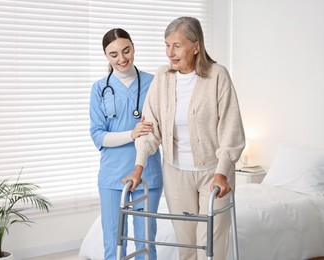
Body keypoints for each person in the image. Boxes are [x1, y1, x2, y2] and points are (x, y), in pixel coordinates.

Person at [122, 17, 245, 260]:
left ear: (196, 46)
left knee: (210, 244)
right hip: (176, 173)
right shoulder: (163, 77)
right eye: (166, 45)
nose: (170, 53)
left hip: (214, 173)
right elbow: (150, 126)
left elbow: (231, 129)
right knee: (187, 247)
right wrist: (138, 168)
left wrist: (222, 171)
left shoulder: (218, 76)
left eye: (177, 46)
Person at [89, 28, 163, 260]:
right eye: (113, 54)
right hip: (112, 175)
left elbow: (163, 125)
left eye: (126, 50)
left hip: (147, 173)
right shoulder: (100, 89)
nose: (121, 59)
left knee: (146, 243)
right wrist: (132, 133)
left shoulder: (155, 83)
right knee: (113, 242)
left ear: (133, 47)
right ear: (106, 56)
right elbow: (98, 136)